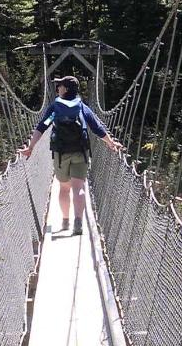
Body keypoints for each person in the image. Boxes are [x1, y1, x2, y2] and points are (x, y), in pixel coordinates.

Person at [21, 74, 121, 235]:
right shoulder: (81, 106)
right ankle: (78, 223)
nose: (57, 89)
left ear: (65, 89)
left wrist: (31, 147)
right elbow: (96, 126)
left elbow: (43, 126)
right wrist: (110, 142)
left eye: (59, 86)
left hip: (61, 154)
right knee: (78, 188)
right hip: (80, 152)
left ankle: (65, 221)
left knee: (64, 188)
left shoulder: (55, 108)